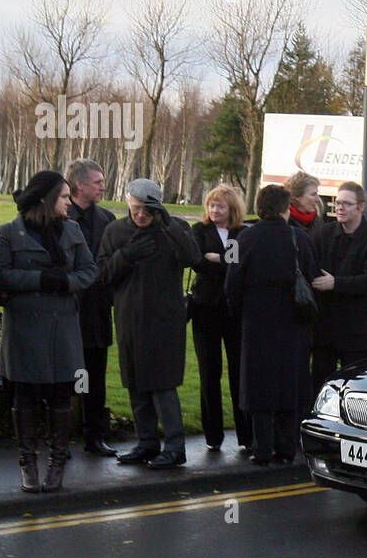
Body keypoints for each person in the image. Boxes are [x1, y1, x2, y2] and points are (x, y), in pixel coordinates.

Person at [0, 170, 97, 492]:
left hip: (62, 326)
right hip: (24, 326)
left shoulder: (72, 229)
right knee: (24, 395)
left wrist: (66, 281)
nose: (69, 202)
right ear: (45, 199)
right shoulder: (10, 232)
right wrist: (39, 280)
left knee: (60, 395)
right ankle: (28, 460)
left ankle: (56, 461)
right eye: (64, 197)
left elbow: (90, 270)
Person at [97, 178, 201, 468]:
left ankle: (175, 446)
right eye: (135, 209)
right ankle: (146, 443)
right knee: (135, 383)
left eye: (147, 210)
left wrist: (169, 226)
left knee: (162, 384)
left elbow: (193, 258)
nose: (140, 215)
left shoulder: (175, 228)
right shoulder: (116, 231)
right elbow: (103, 273)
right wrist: (125, 256)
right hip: (129, 317)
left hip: (165, 320)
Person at [226, 185, 318, 464]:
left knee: (258, 385)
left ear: (259, 206)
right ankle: (287, 448)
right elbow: (312, 275)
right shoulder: (299, 238)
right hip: (293, 321)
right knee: (289, 382)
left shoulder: (243, 238)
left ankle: (262, 448)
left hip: (257, 322)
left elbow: (231, 284)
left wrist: (239, 312)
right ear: (285, 208)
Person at [189, 184, 251, 452]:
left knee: (239, 372)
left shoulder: (241, 232)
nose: (215, 210)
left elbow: (237, 263)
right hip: (205, 309)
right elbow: (197, 261)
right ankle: (213, 435)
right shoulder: (199, 231)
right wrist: (221, 261)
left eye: (221, 206)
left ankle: (245, 435)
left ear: (232, 209)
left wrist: (218, 258)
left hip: (234, 311)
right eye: (212, 205)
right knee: (209, 372)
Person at [310, 181, 367, 385]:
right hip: (324, 328)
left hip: (356, 330)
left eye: (346, 203)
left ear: (361, 207)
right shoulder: (323, 234)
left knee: (354, 385)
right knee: (319, 383)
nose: (339, 207)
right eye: (338, 202)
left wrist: (336, 283)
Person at [65, 158, 117, 456]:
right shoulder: (60, 216)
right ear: (80, 185)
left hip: (96, 311)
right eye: (98, 181)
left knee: (94, 378)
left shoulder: (107, 219)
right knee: (63, 378)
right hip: (67, 311)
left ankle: (94, 436)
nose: (103, 186)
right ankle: (59, 436)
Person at [284, 171, 325, 247]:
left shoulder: (317, 222)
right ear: (297, 197)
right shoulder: (285, 223)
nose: (317, 199)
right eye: (313, 194)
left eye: (317, 194)